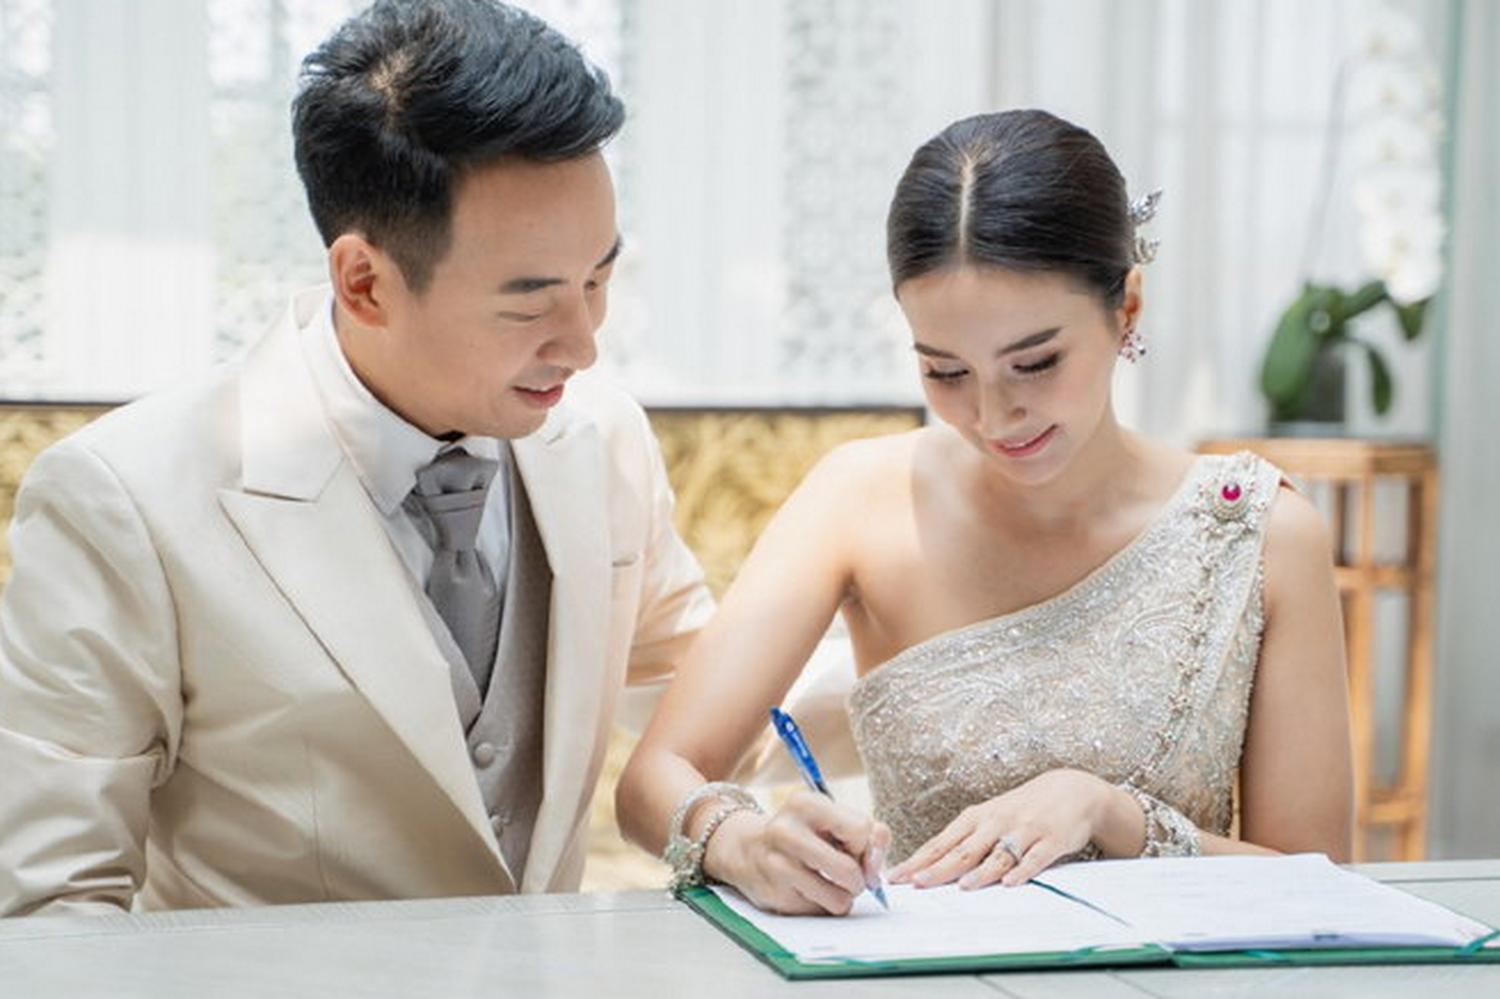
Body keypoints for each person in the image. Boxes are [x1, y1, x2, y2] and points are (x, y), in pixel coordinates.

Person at [0, 0, 712, 917]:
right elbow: (49, 907)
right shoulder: (123, 497)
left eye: (599, 279)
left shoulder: (603, 438)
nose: (583, 343)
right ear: (365, 282)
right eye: (531, 303)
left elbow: (700, 687)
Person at [617, 109, 1354, 916]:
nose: (994, 416)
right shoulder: (858, 499)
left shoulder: (1255, 534)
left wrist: (1111, 813)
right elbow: (655, 778)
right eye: (946, 371)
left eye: (1035, 362)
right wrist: (745, 841)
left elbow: (1318, 886)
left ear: (1128, 309)